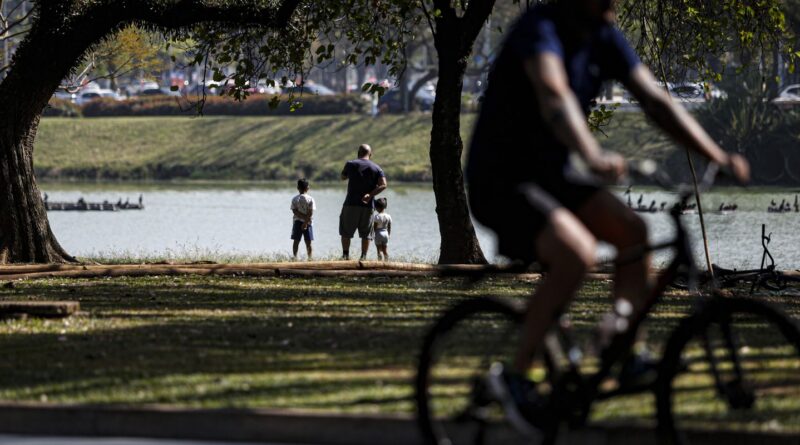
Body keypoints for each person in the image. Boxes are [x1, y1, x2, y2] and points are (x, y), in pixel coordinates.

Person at [464, 0, 750, 428]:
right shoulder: (540, 27)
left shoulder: (603, 36)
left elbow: (656, 101)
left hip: (553, 176)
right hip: (502, 179)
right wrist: (592, 154)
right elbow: (554, 95)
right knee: (576, 254)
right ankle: (517, 376)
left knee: (633, 230)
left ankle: (627, 350)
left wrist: (716, 155)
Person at [339, 143, 387, 260]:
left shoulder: (350, 164)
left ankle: (345, 256)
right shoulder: (377, 168)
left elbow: (343, 177)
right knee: (366, 234)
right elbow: (383, 185)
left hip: (350, 204)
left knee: (346, 232)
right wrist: (370, 195)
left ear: (358, 153)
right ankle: (363, 257)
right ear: (370, 154)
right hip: (368, 206)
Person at [290, 178, 316, 260]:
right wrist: (305, 222)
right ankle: (310, 258)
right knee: (308, 242)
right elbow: (311, 212)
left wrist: (302, 218)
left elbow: (294, 211)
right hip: (308, 223)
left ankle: (295, 257)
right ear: (308, 188)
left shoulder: (294, 199)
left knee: (296, 241)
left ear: (297, 188)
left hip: (297, 222)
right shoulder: (310, 199)